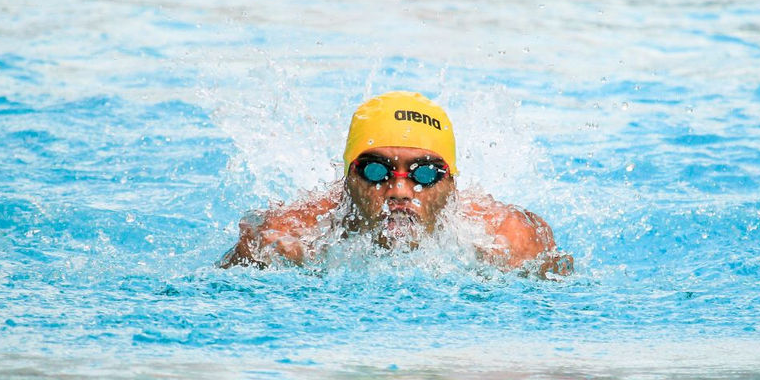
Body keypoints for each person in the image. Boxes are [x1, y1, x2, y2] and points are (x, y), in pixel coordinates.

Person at [219, 91, 572, 277]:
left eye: (425, 174)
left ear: (451, 183)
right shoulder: (289, 236)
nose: (400, 191)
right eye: (376, 171)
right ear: (347, 179)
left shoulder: (508, 239)